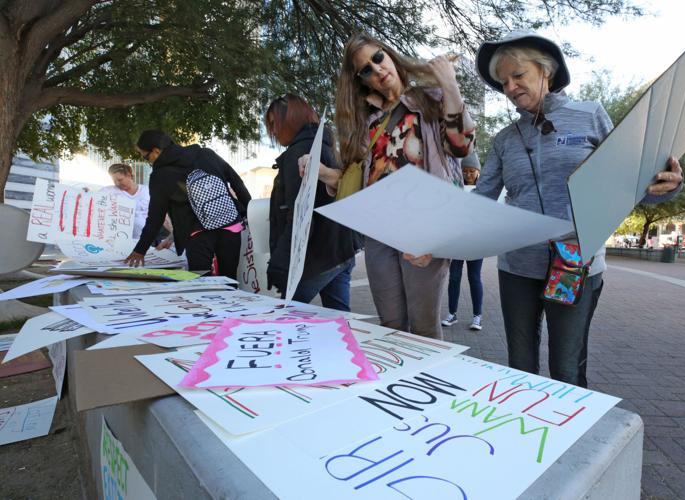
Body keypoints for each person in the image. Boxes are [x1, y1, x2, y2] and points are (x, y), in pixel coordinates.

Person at [474, 30, 683, 387]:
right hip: (517, 267)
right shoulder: (505, 139)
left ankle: (568, 439)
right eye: (503, 81)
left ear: (546, 72)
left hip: (575, 262)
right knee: (520, 365)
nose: (509, 87)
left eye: (518, 75)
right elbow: (482, 197)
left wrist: (666, 187)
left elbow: (630, 183)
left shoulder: (590, 116)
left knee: (566, 369)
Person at [300, 33, 475, 338]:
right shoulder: (366, 123)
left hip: (424, 229)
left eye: (377, 58)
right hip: (380, 233)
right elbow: (361, 183)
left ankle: (427, 384)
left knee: (423, 327)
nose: (377, 70)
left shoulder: (428, 99)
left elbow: (462, 146)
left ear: (389, 55)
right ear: (361, 81)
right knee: (391, 325)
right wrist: (325, 174)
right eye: (366, 69)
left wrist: (449, 84)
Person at [265, 94, 359, 312]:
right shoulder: (326, 148)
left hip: (317, 258)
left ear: (291, 119)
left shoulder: (298, 154)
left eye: (274, 123)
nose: (273, 131)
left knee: (284, 318)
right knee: (339, 322)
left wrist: (279, 264)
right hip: (341, 250)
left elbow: (299, 217)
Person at [125, 130, 252, 279]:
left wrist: (140, 250)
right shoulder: (206, 154)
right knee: (229, 279)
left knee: (201, 282)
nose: (149, 161)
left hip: (197, 234)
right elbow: (237, 182)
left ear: (156, 151)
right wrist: (249, 211)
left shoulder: (160, 176)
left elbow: (155, 217)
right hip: (230, 226)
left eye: (146, 157)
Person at [441, 151, 484, 330]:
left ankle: (477, 316)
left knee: (474, 278)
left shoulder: (484, 191)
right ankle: (452, 314)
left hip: (476, 243)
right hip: (457, 242)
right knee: (454, 278)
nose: (468, 174)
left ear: (478, 173)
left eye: (471, 171)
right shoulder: (455, 187)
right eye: (464, 170)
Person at [100, 163, 173, 245]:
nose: (117, 183)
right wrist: (85, 193)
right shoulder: (108, 191)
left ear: (129, 175)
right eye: (114, 181)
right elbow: (93, 200)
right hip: (123, 241)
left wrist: (173, 234)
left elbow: (162, 215)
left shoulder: (148, 191)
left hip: (151, 239)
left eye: (120, 180)